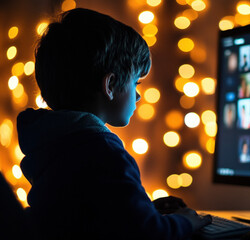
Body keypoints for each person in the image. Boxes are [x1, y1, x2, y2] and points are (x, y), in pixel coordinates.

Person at [16, 8, 211, 239]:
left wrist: (144, 208)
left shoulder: (53, 144)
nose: (138, 95)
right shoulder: (105, 153)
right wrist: (187, 221)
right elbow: (149, 234)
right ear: (110, 86)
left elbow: (88, 216)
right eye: (136, 83)